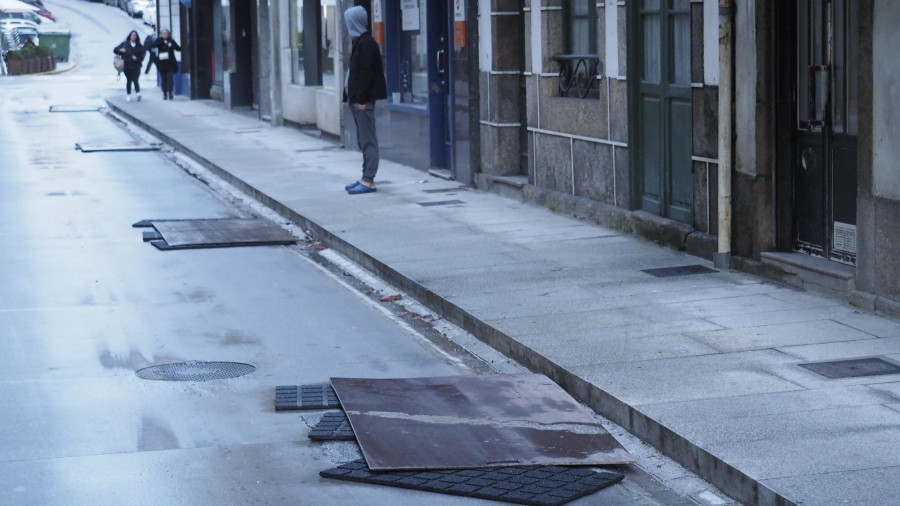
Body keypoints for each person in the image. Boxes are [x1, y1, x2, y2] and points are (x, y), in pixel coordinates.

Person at [343, 6, 387, 195]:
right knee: (363, 139)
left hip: (363, 102)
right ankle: (364, 177)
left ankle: (369, 180)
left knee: (368, 140)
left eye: (348, 21)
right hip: (357, 101)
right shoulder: (359, 42)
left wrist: (361, 99)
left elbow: (366, 74)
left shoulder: (366, 43)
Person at [114, 30, 146, 102]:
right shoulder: (125, 44)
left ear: (136, 37)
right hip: (127, 65)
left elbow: (143, 54)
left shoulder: (139, 46)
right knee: (129, 80)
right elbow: (115, 50)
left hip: (136, 66)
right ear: (130, 36)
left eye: (135, 35)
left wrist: (137, 59)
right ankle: (128, 94)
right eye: (132, 35)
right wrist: (120, 50)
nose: (133, 37)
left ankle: (138, 93)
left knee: (135, 79)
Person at [153, 29, 181, 100]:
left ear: (168, 34)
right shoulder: (159, 40)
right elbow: (154, 45)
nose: (165, 34)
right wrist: (163, 42)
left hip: (170, 63)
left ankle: (170, 92)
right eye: (163, 33)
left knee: (170, 78)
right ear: (161, 34)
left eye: (166, 33)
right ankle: (165, 94)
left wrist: (171, 45)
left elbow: (178, 48)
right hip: (162, 63)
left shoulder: (171, 41)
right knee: (164, 79)